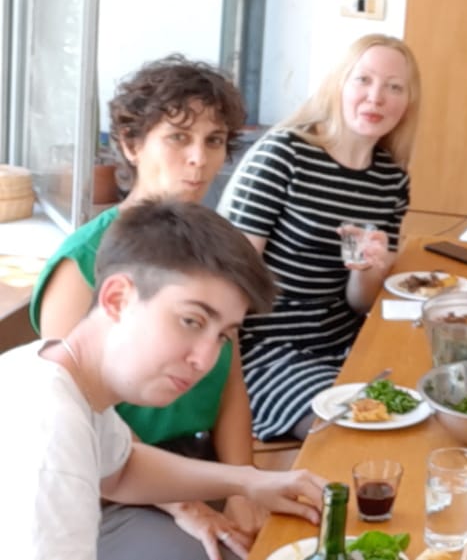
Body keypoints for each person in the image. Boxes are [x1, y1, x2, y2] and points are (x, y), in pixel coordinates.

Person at [29, 56, 265, 560]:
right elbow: (83, 414)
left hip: (196, 464)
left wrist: (244, 488)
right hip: (113, 487)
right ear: (132, 144)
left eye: (214, 140)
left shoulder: (210, 251)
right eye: (179, 138)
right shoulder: (81, 262)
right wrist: (189, 505)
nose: (198, 159)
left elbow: (230, 385)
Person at [3, 200, 327, 560]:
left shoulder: (61, 370)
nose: (205, 360)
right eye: (191, 321)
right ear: (117, 298)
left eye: (222, 336)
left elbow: (122, 470)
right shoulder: (49, 437)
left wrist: (249, 481)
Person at [218, 34, 418, 441]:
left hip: (343, 343)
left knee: (421, 402)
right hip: (267, 349)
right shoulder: (285, 154)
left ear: (408, 102)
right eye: (363, 80)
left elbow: (361, 303)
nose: (376, 98)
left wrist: (366, 271)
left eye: (394, 87)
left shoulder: (391, 180)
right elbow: (230, 278)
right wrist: (222, 377)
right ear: (338, 84)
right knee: (359, 427)